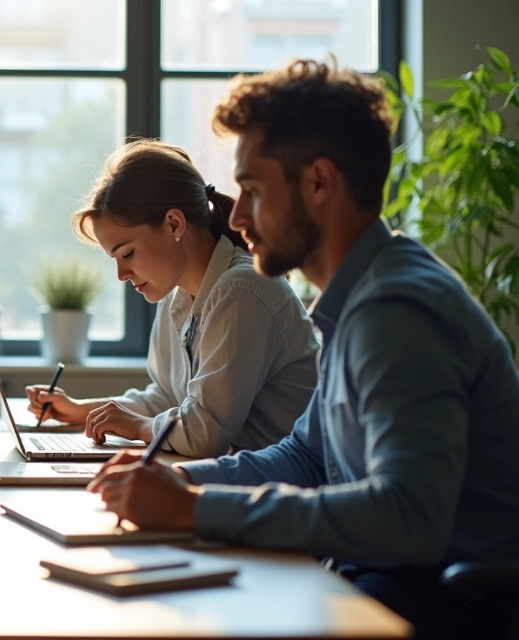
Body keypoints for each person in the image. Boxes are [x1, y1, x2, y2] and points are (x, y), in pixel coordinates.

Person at [88, 59, 519, 639]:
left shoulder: (397, 312)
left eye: (253, 190)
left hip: (440, 602)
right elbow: (307, 458)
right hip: (381, 578)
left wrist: (194, 510)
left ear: (319, 182)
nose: (235, 215)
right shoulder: (358, 299)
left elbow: (409, 516)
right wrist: (183, 485)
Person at [26, 139, 318, 458]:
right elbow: (166, 397)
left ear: (174, 224)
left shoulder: (242, 290)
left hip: (279, 489)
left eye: (128, 253)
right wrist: (85, 411)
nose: (121, 274)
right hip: (235, 477)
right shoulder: (176, 295)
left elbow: (204, 435)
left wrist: (138, 427)